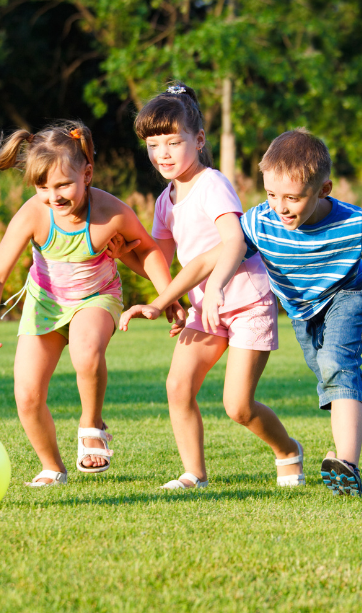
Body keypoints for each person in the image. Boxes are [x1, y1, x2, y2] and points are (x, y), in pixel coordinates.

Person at [123, 129, 362, 497]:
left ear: (324, 190)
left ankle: (346, 466)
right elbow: (210, 258)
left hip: (349, 296)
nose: (281, 207)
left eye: (293, 198)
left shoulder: (352, 226)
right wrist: (162, 301)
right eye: (271, 195)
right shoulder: (262, 221)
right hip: (304, 313)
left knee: (336, 365)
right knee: (341, 383)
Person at [0, 121, 181, 488]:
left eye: (64, 184)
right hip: (46, 305)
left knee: (85, 352)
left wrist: (169, 297)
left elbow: (147, 250)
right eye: (43, 187)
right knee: (27, 395)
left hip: (97, 298)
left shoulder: (110, 212)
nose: (54, 196)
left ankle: (91, 423)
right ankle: (52, 466)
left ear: (87, 173)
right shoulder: (35, 214)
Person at [123, 83, 303, 490]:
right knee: (178, 384)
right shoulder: (164, 201)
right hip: (206, 307)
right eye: (154, 145)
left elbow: (235, 241)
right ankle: (194, 474)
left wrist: (213, 287)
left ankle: (288, 450)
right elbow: (160, 262)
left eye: (173, 142)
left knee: (237, 406)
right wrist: (120, 254)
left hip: (246, 301)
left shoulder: (212, 184)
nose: (163, 154)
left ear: (199, 140)